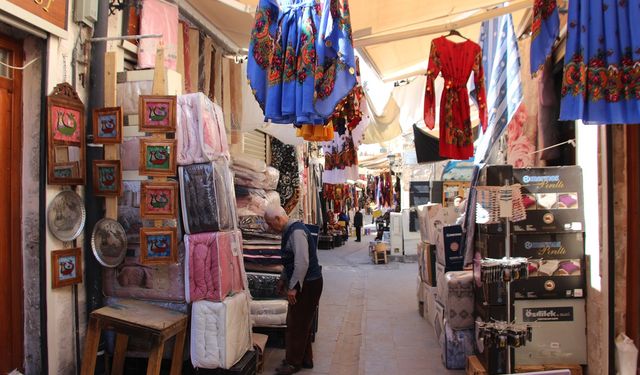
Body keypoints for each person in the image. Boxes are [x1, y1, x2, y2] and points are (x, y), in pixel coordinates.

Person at [264, 205, 323, 375]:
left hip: (309, 284)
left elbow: (302, 263)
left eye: (270, 223)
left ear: (278, 219)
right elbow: (290, 260)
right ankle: (305, 359)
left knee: (296, 324)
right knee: (302, 322)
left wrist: (294, 288)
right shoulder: (289, 231)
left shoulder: (296, 232)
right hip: (308, 282)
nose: (269, 227)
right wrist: (283, 278)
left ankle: (292, 363)